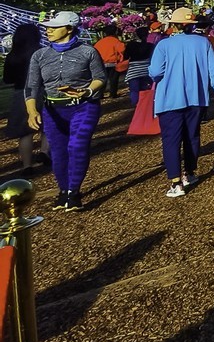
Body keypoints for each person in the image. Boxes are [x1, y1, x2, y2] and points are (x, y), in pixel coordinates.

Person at [24, 11, 106, 211]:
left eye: (53, 27)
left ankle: (74, 192)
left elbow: (100, 78)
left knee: (77, 146)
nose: (48, 31)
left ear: (69, 28)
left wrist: (86, 91)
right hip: (53, 110)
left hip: (84, 106)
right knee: (58, 151)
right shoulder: (40, 55)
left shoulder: (88, 51)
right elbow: (31, 86)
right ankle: (63, 190)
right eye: (47, 27)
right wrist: (32, 110)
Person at [148, 7, 214, 198]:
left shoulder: (164, 45)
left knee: (171, 140)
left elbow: (155, 72)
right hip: (197, 98)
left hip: (170, 100)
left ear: (173, 25)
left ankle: (175, 182)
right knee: (192, 136)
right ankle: (190, 173)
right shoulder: (203, 42)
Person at [3, 23, 49, 176]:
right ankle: (44, 151)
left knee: (25, 132)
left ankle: (26, 165)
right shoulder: (42, 52)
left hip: (20, 93)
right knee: (47, 125)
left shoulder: (12, 56)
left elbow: (7, 78)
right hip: (43, 91)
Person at [124, 25, 155, 109]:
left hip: (134, 70)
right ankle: (148, 106)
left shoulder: (131, 45)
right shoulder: (150, 46)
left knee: (134, 91)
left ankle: (136, 108)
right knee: (148, 89)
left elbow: (125, 57)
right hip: (147, 70)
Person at [92, 23, 126, 99]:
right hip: (113, 63)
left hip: (101, 63)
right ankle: (113, 94)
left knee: (102, 80)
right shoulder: (116, 41)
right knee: (113, 80)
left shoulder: (99, 42)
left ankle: (100, 94)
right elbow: (122, 50)